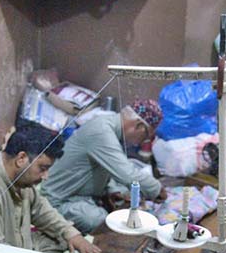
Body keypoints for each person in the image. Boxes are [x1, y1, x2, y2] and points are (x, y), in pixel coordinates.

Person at [0, 123, 101, 253]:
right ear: (21, 158)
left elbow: (40, 209)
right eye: (43, 168)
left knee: (68, 243)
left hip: (15, 248)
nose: (46, 176)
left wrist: (71, 234)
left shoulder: (17, 175)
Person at [41, 99, 168, 234]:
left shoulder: (110, 128)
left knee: (121, 206)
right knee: (105, 222)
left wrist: (114, 190)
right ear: (138, 126)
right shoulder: (101, 131)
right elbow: (127, 173)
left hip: (81, 196)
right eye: (146, 135)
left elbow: (106, 169)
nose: (144, 141)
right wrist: (157, 189)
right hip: (58, 202)